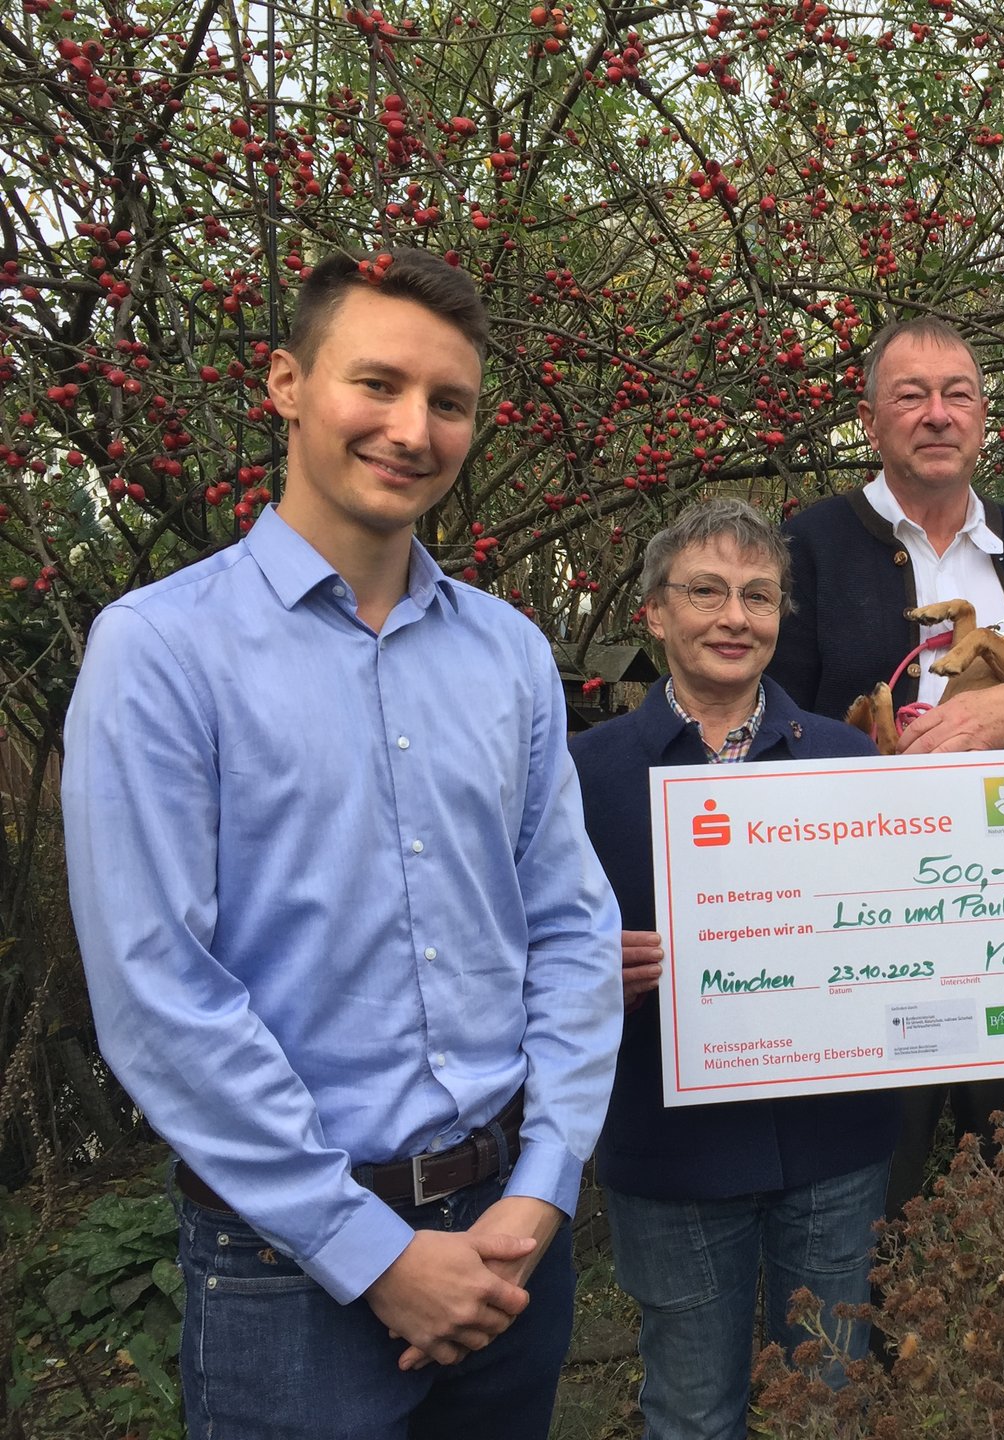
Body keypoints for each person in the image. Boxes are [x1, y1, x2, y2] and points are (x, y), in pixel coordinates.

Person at [62, 248, 623, 1439]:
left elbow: (568, 927)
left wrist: (547, 1181)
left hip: (512, 1239)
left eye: (450, 402)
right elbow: (160, 991)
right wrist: (368, 1250)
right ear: (285, 383)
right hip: (286, 1267)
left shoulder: (511, 655)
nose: (412, 428)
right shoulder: (159, 654)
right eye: (378, 384)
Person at [767, 316, 1004, 1214]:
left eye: (957, 395)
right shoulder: (807, 546)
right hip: (867, 931)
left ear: (984, 419)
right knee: (860, 1199)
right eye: (910, 395)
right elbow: (764, 716)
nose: (936, 414)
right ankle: (854, 1355)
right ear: (870, 420)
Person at [570, 498, 901, 1440]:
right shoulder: (581, 773)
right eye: (705, 592)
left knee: (829, 1403)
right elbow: (520, 945)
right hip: (670, 1148)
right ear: (656, 613)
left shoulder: (849, 760)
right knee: (689, 1408)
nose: (734, 617)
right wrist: (585, 966)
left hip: (834, 1144)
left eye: (759, 596)